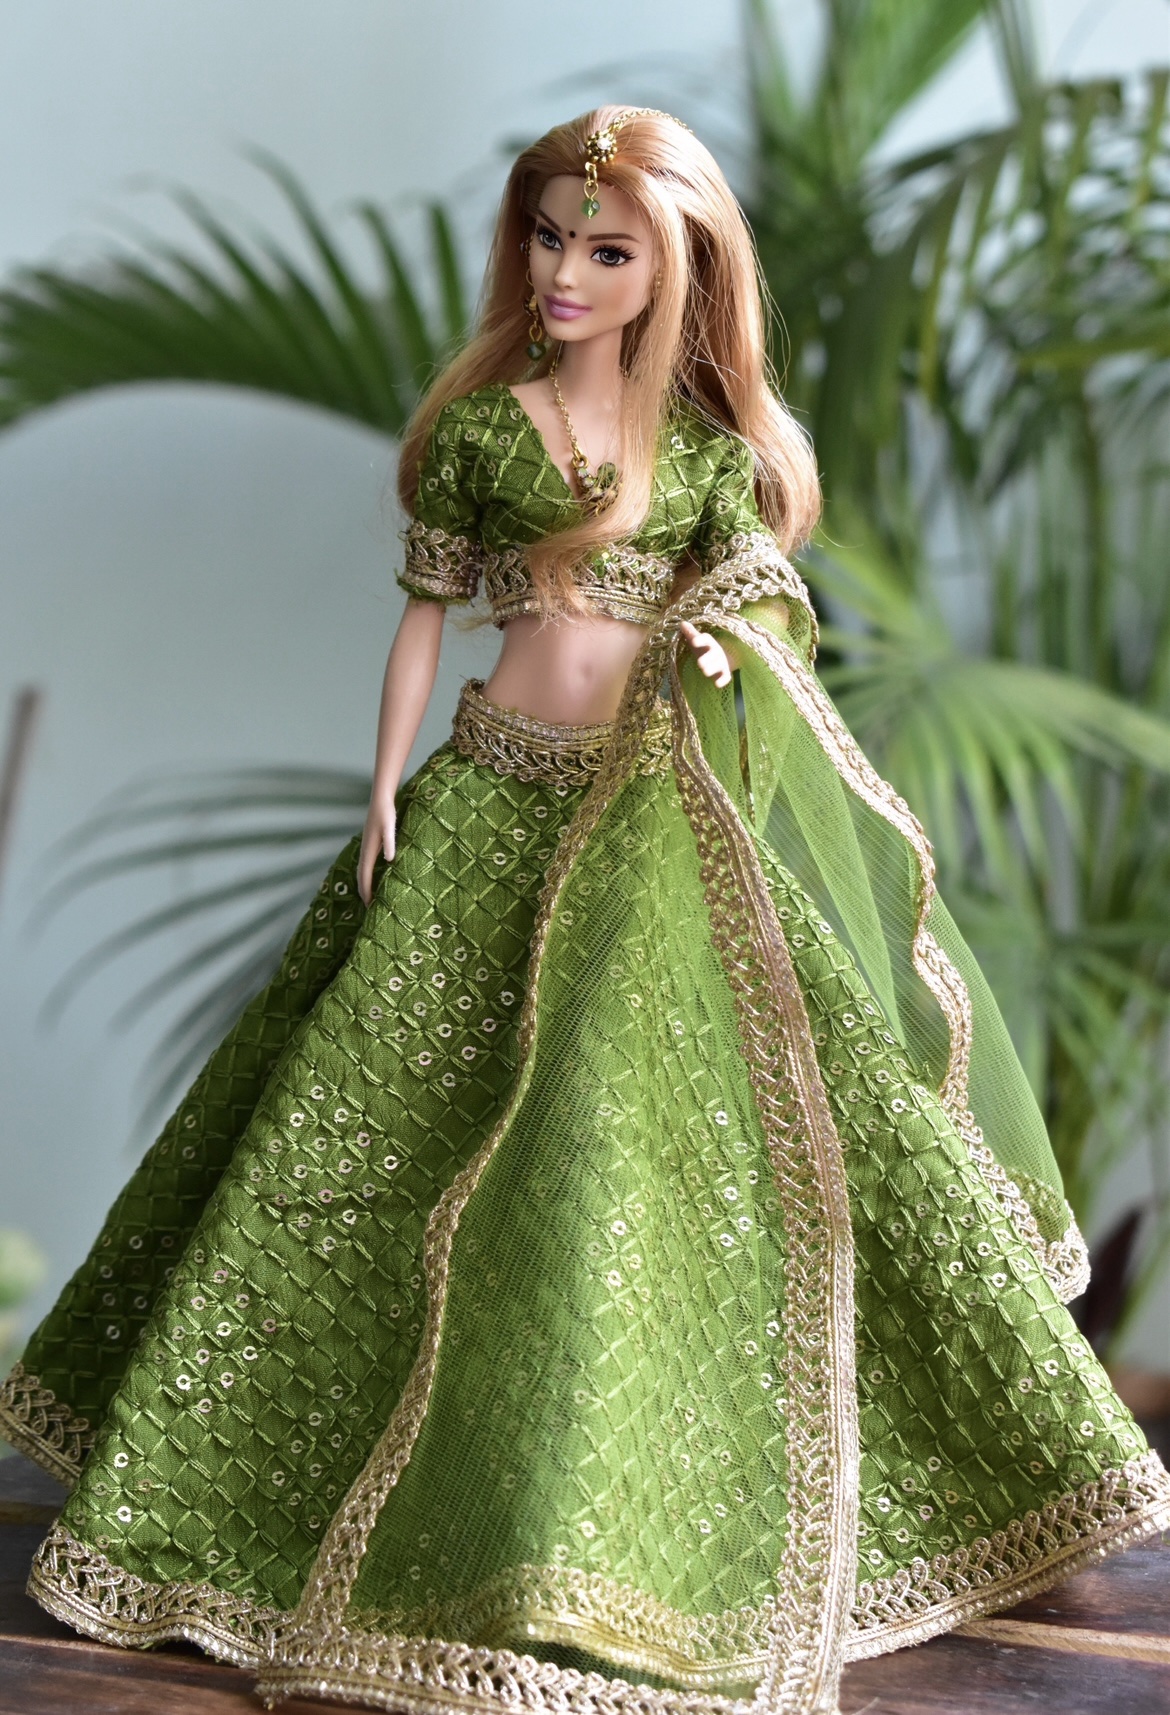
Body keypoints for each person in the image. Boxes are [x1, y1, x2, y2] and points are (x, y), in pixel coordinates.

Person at [4, 107, 1168, 1715]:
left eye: (605, 249)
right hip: (486, 789)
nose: (566, 271)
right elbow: (424, 622)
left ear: (671, 270)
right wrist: (383, 785)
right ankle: (301, 1492)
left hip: (650, 820)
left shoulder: (704, 456)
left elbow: (762, 607)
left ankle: (627, 1509)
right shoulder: (485, 433)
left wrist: (722, 642)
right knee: (364, 1125)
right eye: (551, 237)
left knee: (638, 1131)